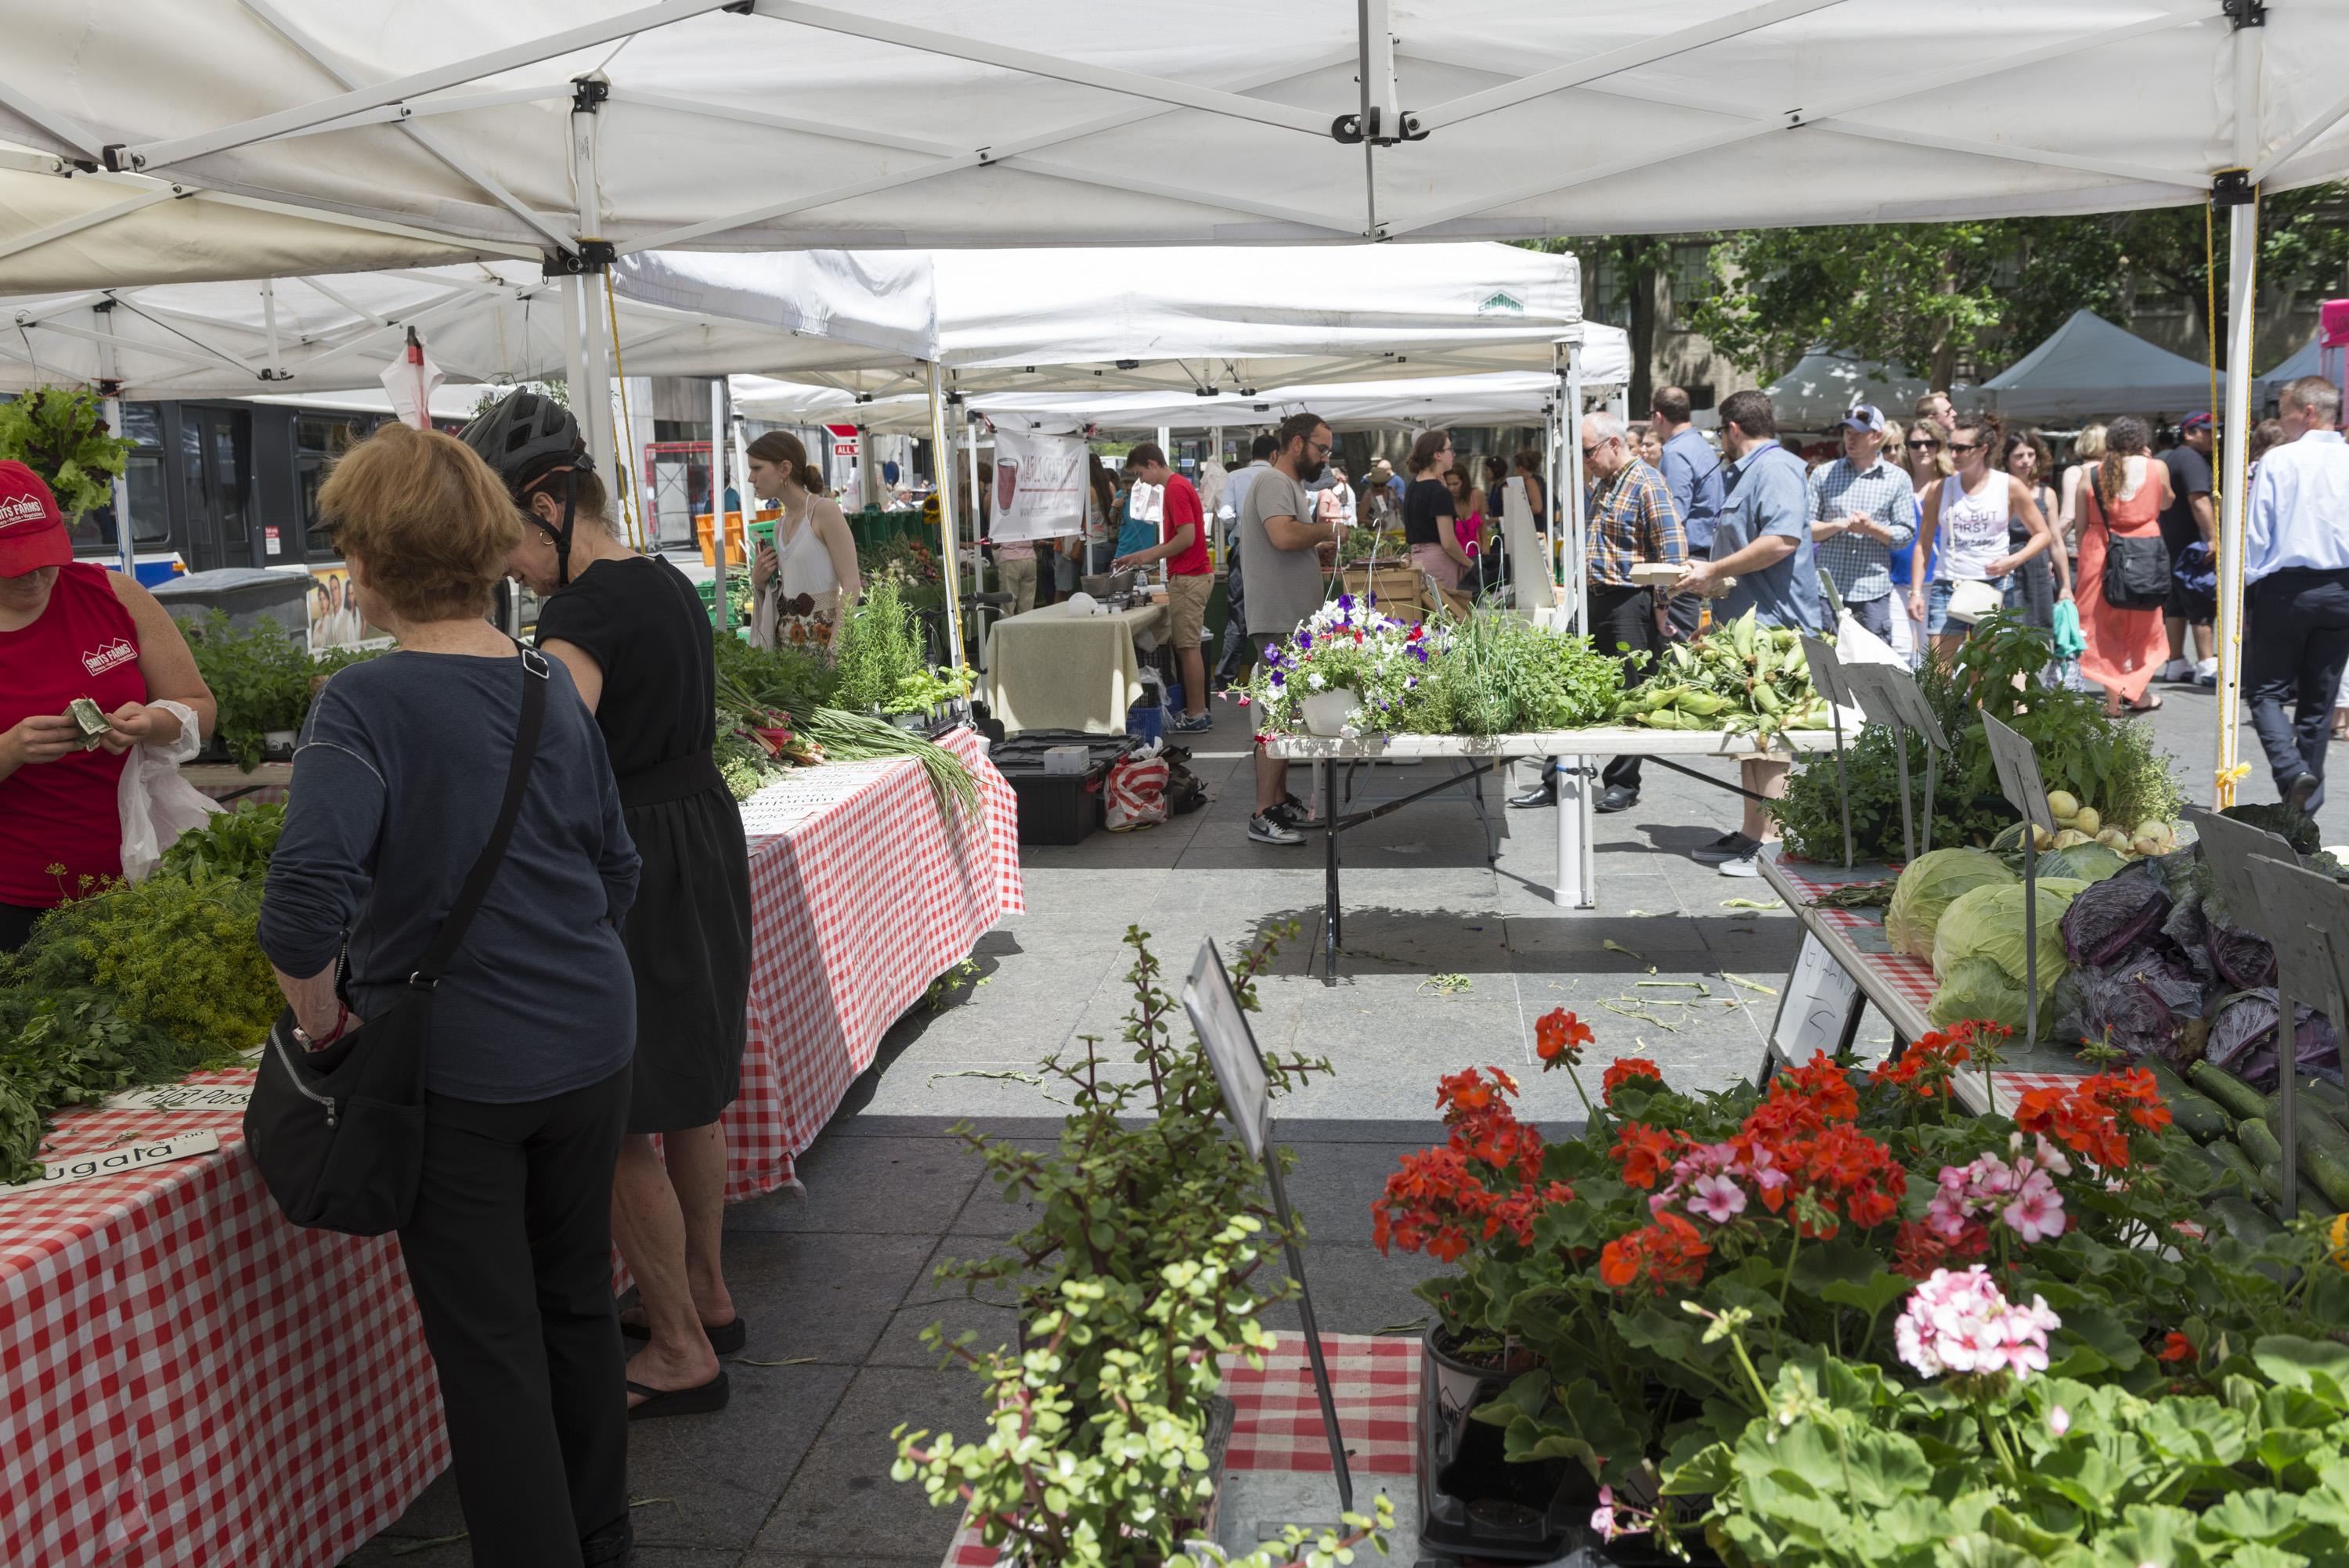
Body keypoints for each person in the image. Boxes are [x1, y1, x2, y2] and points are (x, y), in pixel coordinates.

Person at [258, 422, 641, 1567]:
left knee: (490, 1342)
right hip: (592, 1036)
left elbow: (300, 908)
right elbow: (617, 866)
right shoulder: (545, 686)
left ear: (366, 561)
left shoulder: (365, 705)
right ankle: (599, 1541)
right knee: (575, 1303)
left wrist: (327, 1024)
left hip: (459, 1069)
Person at [464, 391, 754, 1423]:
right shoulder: (664, 579)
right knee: (691, 1098)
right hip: (699, 831)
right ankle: (710, 1296)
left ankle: (679, 1346)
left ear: (547, 501)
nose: (504, 562)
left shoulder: (579, 611)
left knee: (626, 1115)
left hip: (633, 855)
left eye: (506, 536)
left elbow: (552, 745)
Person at [0, 463, 216, 950]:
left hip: (140, 876)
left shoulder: (114, 595)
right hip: (14, 898)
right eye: (14, 564)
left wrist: (152, 722)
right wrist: (11, 749)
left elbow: (199, 707)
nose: (36, 576)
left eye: (45, 556)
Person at [1672, 388, 1817, 878]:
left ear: (1733, 428)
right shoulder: (1753, 470)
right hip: (1749, 627)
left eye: (1719, 433)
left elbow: (1781, 541)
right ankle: (1752, 833)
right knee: (1753, 738)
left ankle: (1774, 844)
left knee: (1773, 740)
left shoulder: (1775, 469)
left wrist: (1713, 569)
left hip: (1777, 629)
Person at [2243, 375, 2349, 812]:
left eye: (2285, 412)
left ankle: (2291, 773)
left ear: (2307, 412)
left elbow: (2256, 534)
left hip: (2286, 588)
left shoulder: (2279, 461)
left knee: (2265, 692)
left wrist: (2248, 596)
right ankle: (2305, 806)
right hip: (2342, 588)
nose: (2281, 421)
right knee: (2319, 704)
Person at [1571, 413, 1684, 813]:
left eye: (1588, 452)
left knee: (1631, 691)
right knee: (1580, 683)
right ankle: (1560, 776)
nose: (1584, 460)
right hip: (1597, 597)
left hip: (1629, 602)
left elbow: (1671, 554)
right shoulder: (1605, 483)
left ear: (1614, 444)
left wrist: (1661, 607)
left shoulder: (1647, 481)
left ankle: (1623, 781)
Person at [1239, 413, 1338, 845]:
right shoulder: (1275, 483)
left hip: (1287, 617)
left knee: (1287, 712)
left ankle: (1276, 802)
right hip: (1278, 619)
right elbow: (1282, 536)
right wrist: (1326, 531)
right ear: (1297, 444)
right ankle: (1263, 811)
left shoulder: (1287, 486)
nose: (1325, 458)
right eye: (1321, 448)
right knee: (1279, 715)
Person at [1911, 412, 2055, 661]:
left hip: (1993, 586)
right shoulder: (1941, 488)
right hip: (1948, 585)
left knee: (1985, 672)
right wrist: (1915, 592)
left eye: (1961, 448)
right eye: (1951, 447)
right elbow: (1923, 545)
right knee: (1937, 671)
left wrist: (2013, 560)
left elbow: (2043, 534)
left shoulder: (2008, 486)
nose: (1953, 454)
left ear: (1982, 449)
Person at [2075, 416, 2173, 719]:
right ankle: (2138, 692)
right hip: (2145, 553)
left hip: (2100, 552)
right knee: (2144, 623)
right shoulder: (2157, 468)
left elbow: (2080, 528)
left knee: (2104, 628)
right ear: (2142, 441)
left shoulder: (2091, 474)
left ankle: (2116, 701)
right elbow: (2167, 502)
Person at [1112, 442, 1213, 734]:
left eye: (1140, 473)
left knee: (1188, 647)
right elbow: (1184, 537)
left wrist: (1148, 555)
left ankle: (1196, 714)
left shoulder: (1175, 489)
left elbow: (1187, 538)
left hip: (1190, 578)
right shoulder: (1179, 486)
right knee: (1187, 647)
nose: (1141, 480)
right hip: (1191, 576)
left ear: (1153, 464)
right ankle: (1198, 711)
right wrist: (1143, 556)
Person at [1806, 405, 1918, 643]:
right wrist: (1838, 525)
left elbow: (1905, 535)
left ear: (1877, 436)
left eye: (1858, 434)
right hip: (1829, 591)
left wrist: (1871, 528)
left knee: (1872, 668)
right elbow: (1806, 530)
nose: (1850, 439)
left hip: (1872, 592)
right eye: (1847, 433)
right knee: (1828, 665)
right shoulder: (1823, 474)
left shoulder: (1897, 478)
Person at [746, 431, 863, 652]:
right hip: (789, 643)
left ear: (784, 469)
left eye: (757, 468)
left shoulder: (824, 511)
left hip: (823, 640)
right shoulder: (780, 525)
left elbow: (852, 585)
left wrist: (835, 646)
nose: (751, 478)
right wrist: (760, 581)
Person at [1651, 388, 1723, 643]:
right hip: (1702, 553)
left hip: (1683, 560)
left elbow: (1673, 517)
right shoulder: (1701, 446)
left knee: (1676, 645)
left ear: (1659, 417)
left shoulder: (1676, 452)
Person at [2156, 411, 2218, 686]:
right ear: (2189, 433)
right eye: (2205, 431)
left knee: (2177, 605)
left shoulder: (2172, 457)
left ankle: (2177, 662)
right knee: (2200, 601)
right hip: (2192, 546)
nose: (2212, 436)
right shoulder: (2191, 459)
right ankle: (2206, 664)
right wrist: (2213, 538)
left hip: (2173, 544)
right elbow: (2199, 501)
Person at [1213, 434, 1279, 691]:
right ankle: (1277, 673)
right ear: (1274, 455)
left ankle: (1226, 679)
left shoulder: (1235, 477)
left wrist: (1240, 525)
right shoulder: (1278, 477)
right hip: (1276, 549)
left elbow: (1225, 512)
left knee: (1238, 613)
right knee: (1276, 613)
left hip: (1244, 547)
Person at [2000, 428, 2075, 629]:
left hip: (2038, 570)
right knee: (2007, 632)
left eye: (2030, 455)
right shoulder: (1998, 491)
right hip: (2008, 568)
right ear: (2007, 460)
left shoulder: (2045, 494)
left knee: (2039, 634)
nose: (2026, 461)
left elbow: (2057, 542)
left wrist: (2066, 585)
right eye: (2019, 456)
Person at [1402, 429, 1473, 590]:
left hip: (1417, 560)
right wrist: (1469, 563)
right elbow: (1448, 542)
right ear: (1437, 455)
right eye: (1450, 449)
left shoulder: (1414, 486)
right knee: (1446, 614)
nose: (1453, 454)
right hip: (1439, 562)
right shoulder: (1439, 492)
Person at [2058, 422, 2108, 591]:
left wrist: (2050, 544)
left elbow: (2067, 518)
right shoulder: (2115, 471)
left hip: (2079, 550)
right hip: (2112, 547)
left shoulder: (2075, 472)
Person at [1084, 454, 1117, 577]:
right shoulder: (1110, 486)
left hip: (1094, 542)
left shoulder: (1088, 489)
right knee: (1108, 583)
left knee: (1093, 585)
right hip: (1110, 541)